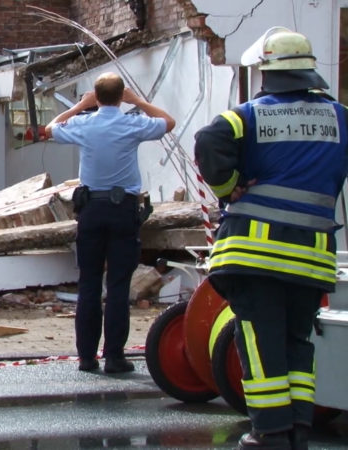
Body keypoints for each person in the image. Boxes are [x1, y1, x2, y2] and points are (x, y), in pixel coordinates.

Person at [195, 27, 347, 450]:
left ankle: (269, 432)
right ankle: (297, 427)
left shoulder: (248, 115)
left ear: (268, 72)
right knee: (297, 344)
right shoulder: (341, 117)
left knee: (260, 343)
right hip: (312, 257)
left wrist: (229, 187)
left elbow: (208, 141)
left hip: (256, 253)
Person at [44, 72, 175, 374]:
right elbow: (168, 122)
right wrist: (137, 100)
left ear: (96, 96)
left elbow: (51, 129)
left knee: (89, 283)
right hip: (123, 212)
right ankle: (114, 357)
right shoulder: (132, 124)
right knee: (117, 285)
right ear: (120, 96)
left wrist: (80, 106)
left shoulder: (84, 124)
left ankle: (86, 358)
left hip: (90, 210)